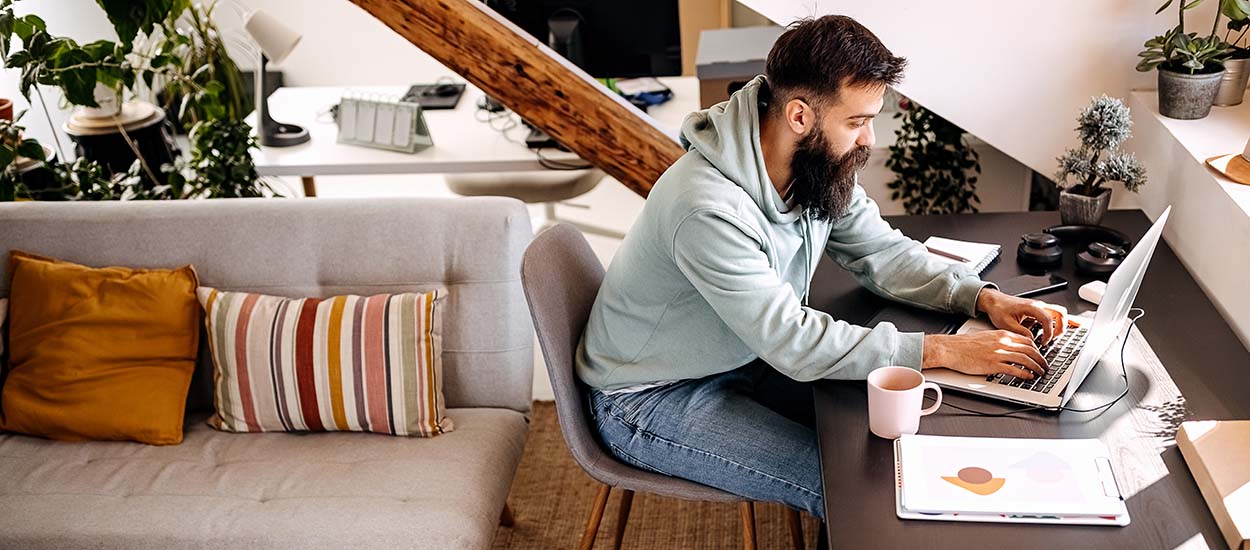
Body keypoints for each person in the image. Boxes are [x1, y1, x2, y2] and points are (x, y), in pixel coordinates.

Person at [575, 15, 1065, 519]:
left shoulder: (815, 166)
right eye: (855, 122)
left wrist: (982, 297)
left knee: (891, 435)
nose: (869, 139)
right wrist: (946, 349)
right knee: (853, 487)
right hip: (650, 397)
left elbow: (884, 253)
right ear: (800, 117)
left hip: (743, 355)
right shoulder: (707, 208)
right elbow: (793, 341)